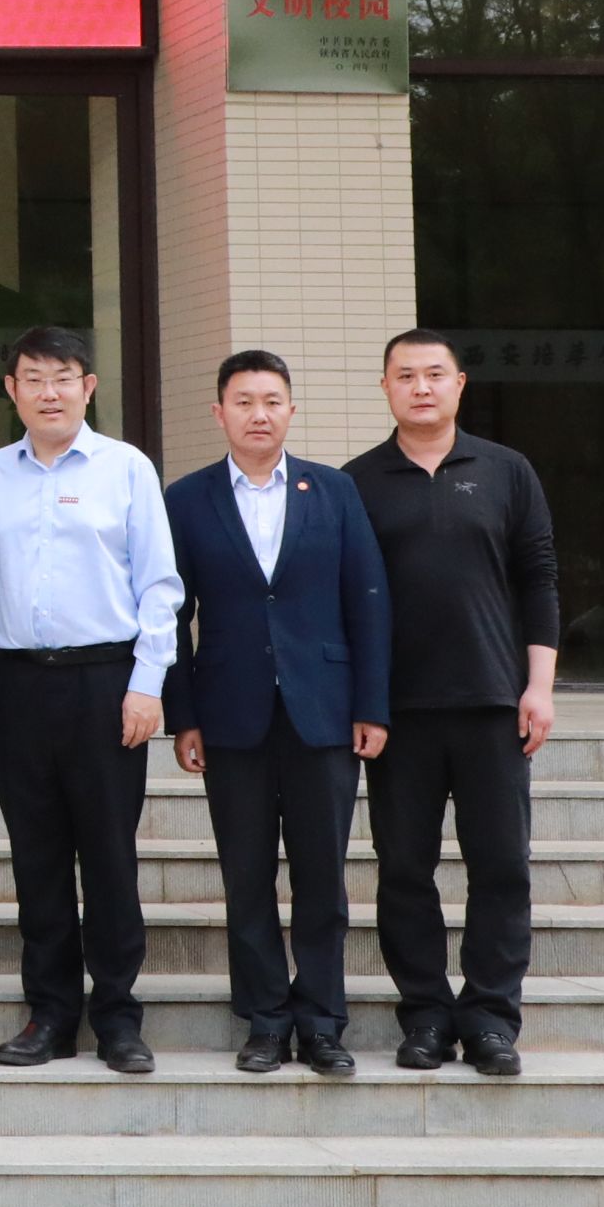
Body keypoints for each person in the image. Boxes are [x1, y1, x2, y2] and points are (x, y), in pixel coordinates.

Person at [0, 325, 181, 1075]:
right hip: (18, 683)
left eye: (63, 378)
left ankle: (117, 1017)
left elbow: (159, 586)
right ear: (12, 389)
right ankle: (49, 1013)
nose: (48, 392)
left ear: (88, 387)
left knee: (109, 854)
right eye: (33, 378)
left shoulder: (127, 468)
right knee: (37, 856)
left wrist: (147, 683)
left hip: (105, 682)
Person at [162, 351, 393, 1078]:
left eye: (271, 401)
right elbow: (170, 615)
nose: (258, 414)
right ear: (219, 413)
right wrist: (183, 715)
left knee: (323, 875)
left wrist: (372, 705)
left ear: (291, 410)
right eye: (243, 402)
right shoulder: (187, 499)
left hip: (323, 710)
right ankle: (264, 1019)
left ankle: (322, 1022)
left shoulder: (334, 490)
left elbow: (368, 599)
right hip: (229, 714)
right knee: (247, 874)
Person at [345, 330, 562, 1077]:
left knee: (501, 867)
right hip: (398, 712)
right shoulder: (356, 482)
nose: (421, 387)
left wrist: (539, 686)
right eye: (405, 375)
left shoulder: (507, 470)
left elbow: (539, 578)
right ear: (385, 387)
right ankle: (427, 1017)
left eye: (435, 374)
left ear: (459, 384)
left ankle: (492, 1018)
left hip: (493, 703)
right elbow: (346, 600)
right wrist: (362, 702)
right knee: (404, 870)